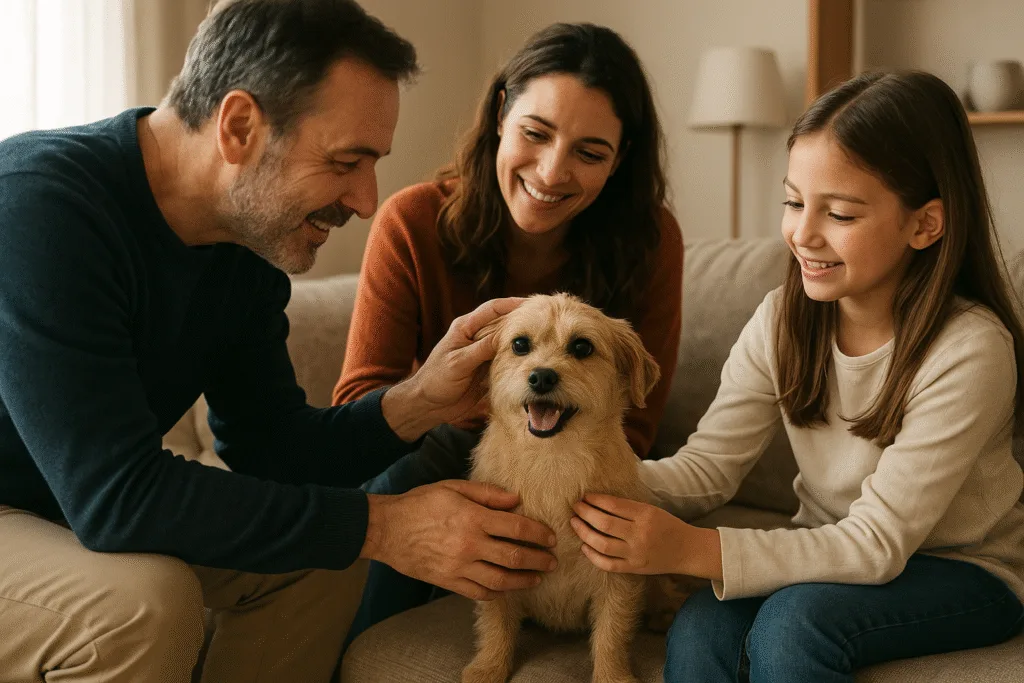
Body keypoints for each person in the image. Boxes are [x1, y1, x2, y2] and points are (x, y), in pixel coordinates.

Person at [0, 1, 559, 681]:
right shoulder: (41, 208)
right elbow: (119, 498)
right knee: (142, 604)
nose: (365, 199)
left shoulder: (240, 252)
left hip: (63, 501)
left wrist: (419, 401)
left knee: (319, 558)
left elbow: (274, 449)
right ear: (240, 126)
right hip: (26, 507)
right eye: (347, 161)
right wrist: (387, 525)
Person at [567, 71, 1024, 683]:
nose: (803, 235)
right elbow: (709, 468)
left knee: (795, 623)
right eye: (792, 201)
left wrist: (690, 548)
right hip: (828, 544)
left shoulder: (970, 348)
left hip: (964, 569)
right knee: (703, 624)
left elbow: (876, 543)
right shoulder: (783, 320)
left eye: (839, 213)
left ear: (925, 225)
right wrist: (582, 482)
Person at [333, 22, 684, 640]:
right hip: (438, 450)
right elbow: (356, 410)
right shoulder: (412, 222)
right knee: (389, 488)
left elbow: (638, 418)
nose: (552, 172)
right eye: (535, 133)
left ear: (619, 159)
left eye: (590, 152)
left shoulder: (650, 240)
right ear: (500, 113)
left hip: (585, 453)